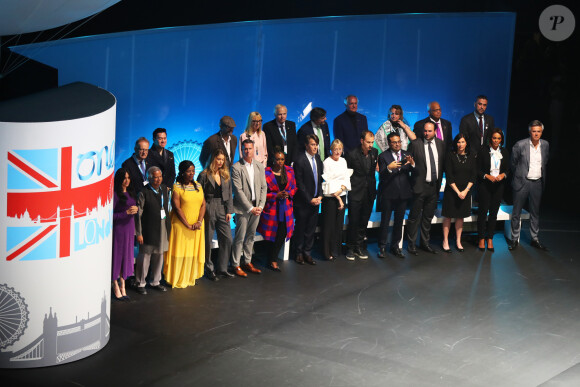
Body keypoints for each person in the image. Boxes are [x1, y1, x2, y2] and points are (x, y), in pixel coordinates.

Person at [164, 161, 206, 288]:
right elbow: (177, 208)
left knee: (192, 252)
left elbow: (203, 204)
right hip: (181, 225)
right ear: (182, 172)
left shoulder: (198, 185)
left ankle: (189, 276)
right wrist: (187, 224)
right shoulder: (176, 187)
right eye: (189, 171)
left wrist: (199, 221)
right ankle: (177, 278)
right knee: (180, 251)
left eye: (193, 170)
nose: (192, 173)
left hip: (197, 225)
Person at [509, 120, 549, 251]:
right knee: (517, 212)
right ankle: (514, 239)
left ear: (541, 132)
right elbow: (513, 163)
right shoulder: (520, 145)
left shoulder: (545, 145)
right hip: (522, 182)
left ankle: (535, 239)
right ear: (530, 132)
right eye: (534, 131)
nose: (536, 134)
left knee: (535, 212)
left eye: (538, 131)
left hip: (537, 182)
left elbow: (545, 161)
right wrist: (520, 176)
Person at [406, 121, 445, 255]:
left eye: (430, 131)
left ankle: (425, 243)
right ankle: (411, 245)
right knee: (414, 217)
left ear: (435, 131)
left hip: (433, 187)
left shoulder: (440, 144)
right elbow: (407, 164)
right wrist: (412, 164)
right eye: (425, 131)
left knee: (428, 217)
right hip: (419, 186)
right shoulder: (415, 144)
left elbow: (442, 164)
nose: (427, 133)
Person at [231, 139, 268, 277]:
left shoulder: (259, 166)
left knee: (251, 236)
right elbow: (238, 191)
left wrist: (260, 206)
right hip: (243, 209)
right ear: (242, 150)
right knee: (240, 237)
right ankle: (235, 264)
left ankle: (247, 261)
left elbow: (264, 187)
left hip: (257, 207)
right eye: (245, 149)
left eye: (250, 148)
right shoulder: (236, 167)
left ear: (254, 150)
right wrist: (250, 208)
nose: (247, 151)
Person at [197, 149, 234, 281]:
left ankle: (222, 268)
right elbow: (198, 194)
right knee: (207, 240)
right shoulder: (203, 175)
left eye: (222, 160)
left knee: (228, 238)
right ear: (213, 159)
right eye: (218, 159)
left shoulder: (225, 174)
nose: (220, 162)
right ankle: (209, 269)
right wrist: (202, 211)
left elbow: (229, 194)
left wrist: (229, 210)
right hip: (208, 206)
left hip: (223, 208)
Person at [257, 148, 297, 271]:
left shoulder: (289, 171)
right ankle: (270, 258)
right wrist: (275, 195)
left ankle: (273, 258)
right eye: (278, 159)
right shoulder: (266, 173)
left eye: (282, 159)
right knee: (271, 233)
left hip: (286, 208)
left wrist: (288, 193)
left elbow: (294, 188)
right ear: (273, 160)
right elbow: (261, 193)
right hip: (271, 209)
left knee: (283, 232)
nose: (280, 162)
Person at [377, 132, 414, 259]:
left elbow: (414, 172)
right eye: (394, 142)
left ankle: (395, 247)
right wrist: (388, 168)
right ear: (389, 143)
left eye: (399, 141)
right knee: (385, 221)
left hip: (403, 194)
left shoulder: (406, 154)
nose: (397, 144)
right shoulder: (383, 156)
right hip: (388, 193)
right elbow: (381, 176)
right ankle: (382, 247)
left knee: (399, 222)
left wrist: (412, 164)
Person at [134, 166, 171, 294]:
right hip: (148, 229)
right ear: (149, 178)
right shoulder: (143, 192)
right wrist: (138, 233)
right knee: (145, 257)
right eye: (155, 177)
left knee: (159, 256)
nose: (158, 179)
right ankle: (140, 283)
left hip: (162, 227)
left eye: (160, 176)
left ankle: (156, 281)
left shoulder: (164, 190)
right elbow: (138, 214)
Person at [345, 130, 378, 260]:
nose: (371, 145)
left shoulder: (374, 153)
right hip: (356, 192)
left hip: (369, 192)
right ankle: (350, 248)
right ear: (362, 141)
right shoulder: (351, 154)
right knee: (353, 221)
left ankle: (359, 247)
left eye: (372, 142)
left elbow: (371, 173)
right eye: (368, 142)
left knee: (364, 221)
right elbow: (347, 174)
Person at [441, 133, 476, 253]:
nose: (460, 145)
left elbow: (473, 176)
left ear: (466, 143)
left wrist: (465, 191)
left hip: (465, 191)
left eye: (462, 142)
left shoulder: (471, 156)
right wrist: (458, 192)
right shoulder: (450, 156)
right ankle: (445, 240)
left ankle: (458, 241)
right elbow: (449, 177)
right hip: (452, 191)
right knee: (448, 216)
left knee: (460, 217)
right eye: (458, 142)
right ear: (455, 143)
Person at [476, 128, 509, 252]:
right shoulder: (483, 151)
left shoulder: (504, 152)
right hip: (485, 184)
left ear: (501, 140)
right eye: (494, 138)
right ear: (490, 138)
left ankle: (490, 238)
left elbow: (508, 170)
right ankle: (481, 238)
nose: (496, 140)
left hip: (498, 186)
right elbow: (477, 169)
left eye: (498, 138)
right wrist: (486, 176)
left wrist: (503, 175)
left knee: (494, 214)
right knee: (482, 212)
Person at [293, 134, 323, 265]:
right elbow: (299, 183)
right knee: (300, 228)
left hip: (316, 201)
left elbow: (321, 179)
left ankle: (307, 252)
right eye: (312, 144)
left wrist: (320, 195)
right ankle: (298, 253)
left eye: (316, 144)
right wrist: (309, 199)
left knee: (311, 229)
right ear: (306, 145)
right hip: (303, 202)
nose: (315, 147)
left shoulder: (318, 159)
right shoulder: (299, 160)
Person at [321, 139, 352, 261]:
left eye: (340, 149)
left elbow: (346, 177)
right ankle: (326, 251)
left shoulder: (343, 161)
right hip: (331, 197)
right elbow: (328, 181)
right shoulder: (327, 162)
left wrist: (342, 189)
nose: (338, 151)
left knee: (339, 224)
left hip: (342, 194)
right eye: (335, 149)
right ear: (331, 150)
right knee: (329, 225)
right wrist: (338, 197)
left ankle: (336, 250)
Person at [112, 168, 137, 301]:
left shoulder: (132, 192)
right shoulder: (115, 194)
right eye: (124, 178)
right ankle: (115, 285)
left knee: (127, 256)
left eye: (128, 178)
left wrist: (136, 209)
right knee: (117, 257)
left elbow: (133, 207)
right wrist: (125, 214)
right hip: (119, 230)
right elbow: (110, 216)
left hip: (129, 228)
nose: (127, 181)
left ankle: (123, 285)